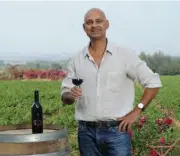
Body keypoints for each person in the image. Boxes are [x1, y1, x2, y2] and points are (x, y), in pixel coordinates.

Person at [61, 8, 162, 156]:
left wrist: (137, 110)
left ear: (107, 24)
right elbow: (65, 96)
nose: (94, 25)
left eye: (98, 21)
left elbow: (154, 82)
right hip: (86, 133)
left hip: (117, 132)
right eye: (89, 22)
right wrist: (70, 95)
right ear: (84, 28)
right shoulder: (77, 60)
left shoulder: (125, 55)